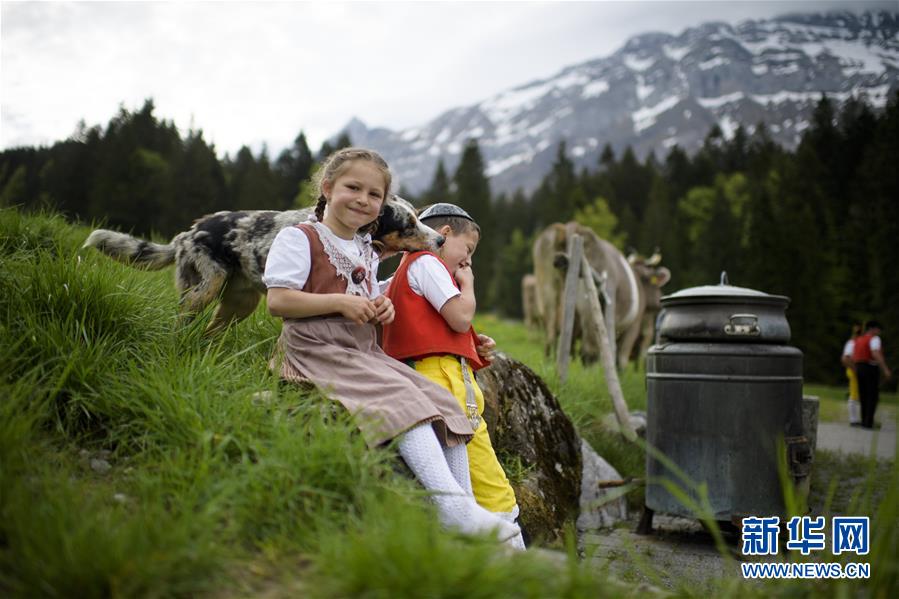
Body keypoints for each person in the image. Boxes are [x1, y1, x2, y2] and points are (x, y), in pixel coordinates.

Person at [263, 148, 519, 542]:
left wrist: (381, 307)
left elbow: (368, 298)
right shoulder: (301, 238)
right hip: (316, 350)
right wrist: (340, 303)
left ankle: (463, 505)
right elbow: (278, 301)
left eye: (374, 194)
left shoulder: (365, 248)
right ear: (327, 188)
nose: (363, 200)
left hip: (362, 351)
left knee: (443, 400)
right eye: (353, 188)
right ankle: (454, 511)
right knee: (401, 400)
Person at [381, 203, 526, 550]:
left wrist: (474, 344)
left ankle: (480, 543)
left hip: (435, 375)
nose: (468, 261)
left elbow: (436, 327)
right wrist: (469, 286)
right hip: (441, 380)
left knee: (471, 473)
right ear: (444, 234)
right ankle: (511, 546)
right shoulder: (428, 262)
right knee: (485, 473)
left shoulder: (411, 269)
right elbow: (459, 318)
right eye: (468, 249)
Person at [851, 320, 892, 429]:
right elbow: (875, 353)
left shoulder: (859, 339)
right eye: (878, 329)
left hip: (859, 367)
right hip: (870, 367)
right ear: (873, 329)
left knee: (863, 395)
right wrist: (885, 369)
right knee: (872, 396)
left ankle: (864, 420)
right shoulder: (875, 339)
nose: (879, 332)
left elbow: (853, 355)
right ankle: (868, 422)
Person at [841, 324, 862, 426]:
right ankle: (853, 420)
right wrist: (855, 369)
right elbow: (845, 358)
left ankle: (856, 418)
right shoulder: (852, 342)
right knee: (853, 395)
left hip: (855, 370)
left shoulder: (854, 342)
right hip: (854, 370)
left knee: (856, 395)